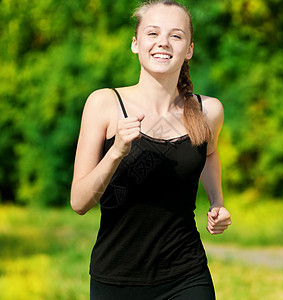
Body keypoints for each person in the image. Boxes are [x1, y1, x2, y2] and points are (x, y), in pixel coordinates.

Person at [70, 0, 231, 299]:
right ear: (135, 43)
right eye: (153, 33)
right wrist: (116, 151)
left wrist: (216, 202)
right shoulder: (104, 104)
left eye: (176, 35)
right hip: (117, 280)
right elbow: (79, 203)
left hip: (187, 276)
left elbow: (208, 154)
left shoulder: (208, 110)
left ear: (190, 49)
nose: (163, 43)